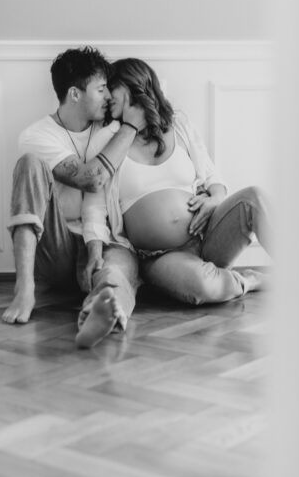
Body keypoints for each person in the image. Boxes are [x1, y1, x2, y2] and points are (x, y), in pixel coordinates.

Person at [88, 57, 271, 305]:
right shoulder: (107, 138)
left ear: (132, 85)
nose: (107, 95)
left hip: (208, 236)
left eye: (112, 86)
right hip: (160, 256)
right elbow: (95, 203)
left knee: (255, 197)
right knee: (203, 286)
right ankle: (247, 281)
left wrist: (215, 198)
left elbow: (211, 175)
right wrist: (95, 252)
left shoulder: (178, 124)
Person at [3, 46, 148, 348]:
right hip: (56, 248)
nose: (109, 96)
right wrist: (132, 127)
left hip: (104, 240)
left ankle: (103, 310)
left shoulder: (111, 130)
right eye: (100, 88)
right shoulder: (37, 135)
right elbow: (91, 179)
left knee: (117, 271)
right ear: (75, 94)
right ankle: (24, 287)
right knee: (28, 163)